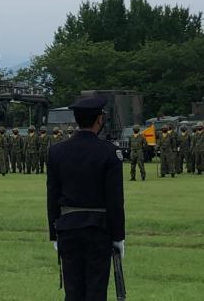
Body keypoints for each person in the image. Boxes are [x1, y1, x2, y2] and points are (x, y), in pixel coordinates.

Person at [46, 96, 125, 300]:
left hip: (67, 227)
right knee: (96, 290)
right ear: (99, 119)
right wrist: (118, 236)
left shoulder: (56, 151)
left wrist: (54, 233)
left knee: (72, 290)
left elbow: (52, 195)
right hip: (98, 229)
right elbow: (115, 200)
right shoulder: (109, 152)